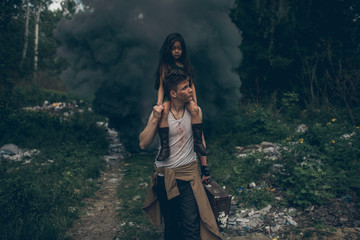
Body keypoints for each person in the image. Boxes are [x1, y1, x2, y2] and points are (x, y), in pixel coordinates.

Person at [141, 70, 222, 240]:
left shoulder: (195, 112)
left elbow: (200, 141)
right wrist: (154, 119)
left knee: (191, 227)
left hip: (189, 177)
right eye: (185, 88)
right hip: (166, 177)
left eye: (190, 86)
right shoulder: (161, 112)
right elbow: (143, 143)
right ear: (173, 93)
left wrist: (205, 168)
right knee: (171, 227)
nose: (191, 90)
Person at [154, 32, 208, 161]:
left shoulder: (186, 65)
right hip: (170, 95)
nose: (177, 51)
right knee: (164, 111)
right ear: (168, 50)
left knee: (195, 110)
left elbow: (191, 85)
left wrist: (194, 101)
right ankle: (165, 147)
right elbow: (161, 85)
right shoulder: (165, 66)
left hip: (185, 96)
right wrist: (159, 102)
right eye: (174, 48)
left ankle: (198, 143)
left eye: (179, 48)